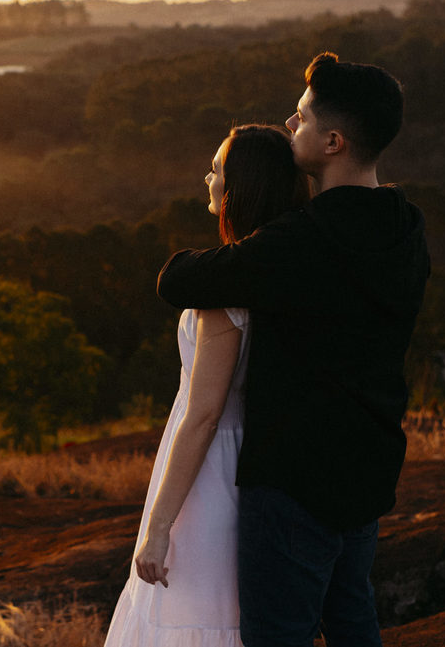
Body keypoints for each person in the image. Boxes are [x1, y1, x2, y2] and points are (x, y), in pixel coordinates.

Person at [157, 52, 430, 647]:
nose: (289, 124)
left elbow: (178, 280)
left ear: (333, 142)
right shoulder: (407, 226)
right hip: (368, 469)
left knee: (279, 635)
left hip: (292, 481)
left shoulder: (302, 241)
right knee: (354, 621)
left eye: (301, 118)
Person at [104, 124, 310, 647]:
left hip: (210, 470)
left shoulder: (223, 288)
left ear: (240, 188)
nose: (207, 177)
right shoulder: (282, 275)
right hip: (248, 458)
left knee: (192, 607)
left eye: (216, 169)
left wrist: (158, 527)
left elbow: (203, 415)